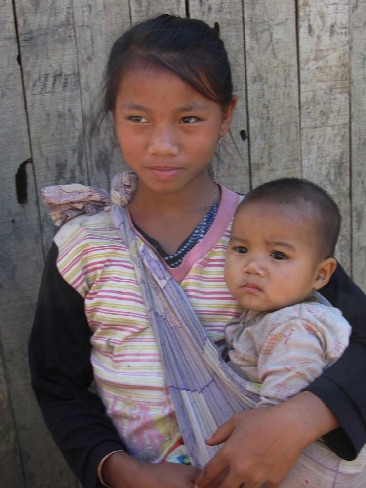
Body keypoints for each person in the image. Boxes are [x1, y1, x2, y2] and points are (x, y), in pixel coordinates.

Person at [28, 14, 366, 488]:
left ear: (225, 116)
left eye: (189, 119)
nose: (162, 144)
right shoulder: (83, 248)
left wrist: (302, 418)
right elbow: (56, 383)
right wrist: (120, 471)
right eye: (138, 118)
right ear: (113, 116)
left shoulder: (275, 237)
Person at [223, 178, 366, 486]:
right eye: (241, 248)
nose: (252, 266)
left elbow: (275, 422)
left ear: (320, 274)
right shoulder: (271, 316)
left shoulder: (295, 327)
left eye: (278, 255)